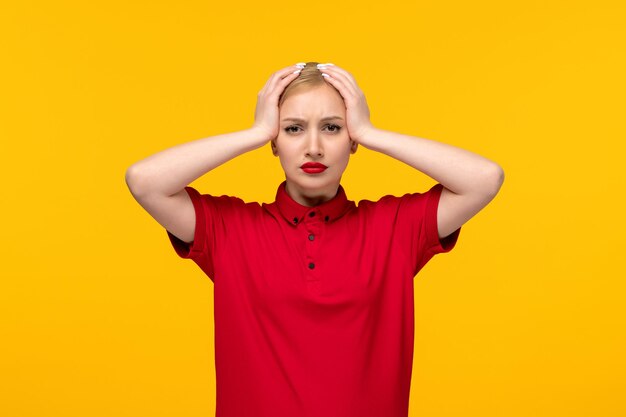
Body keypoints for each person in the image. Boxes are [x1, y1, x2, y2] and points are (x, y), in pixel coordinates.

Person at [125, 62, 504, 417]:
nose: (314, 148)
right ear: (275, 141)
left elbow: (484, 179)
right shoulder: (231, 230)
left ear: (351, 139)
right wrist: (254, 133)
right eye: (293, 129)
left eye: (332, 128)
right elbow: (145, 181)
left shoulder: (395, 228)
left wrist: (371, 132)